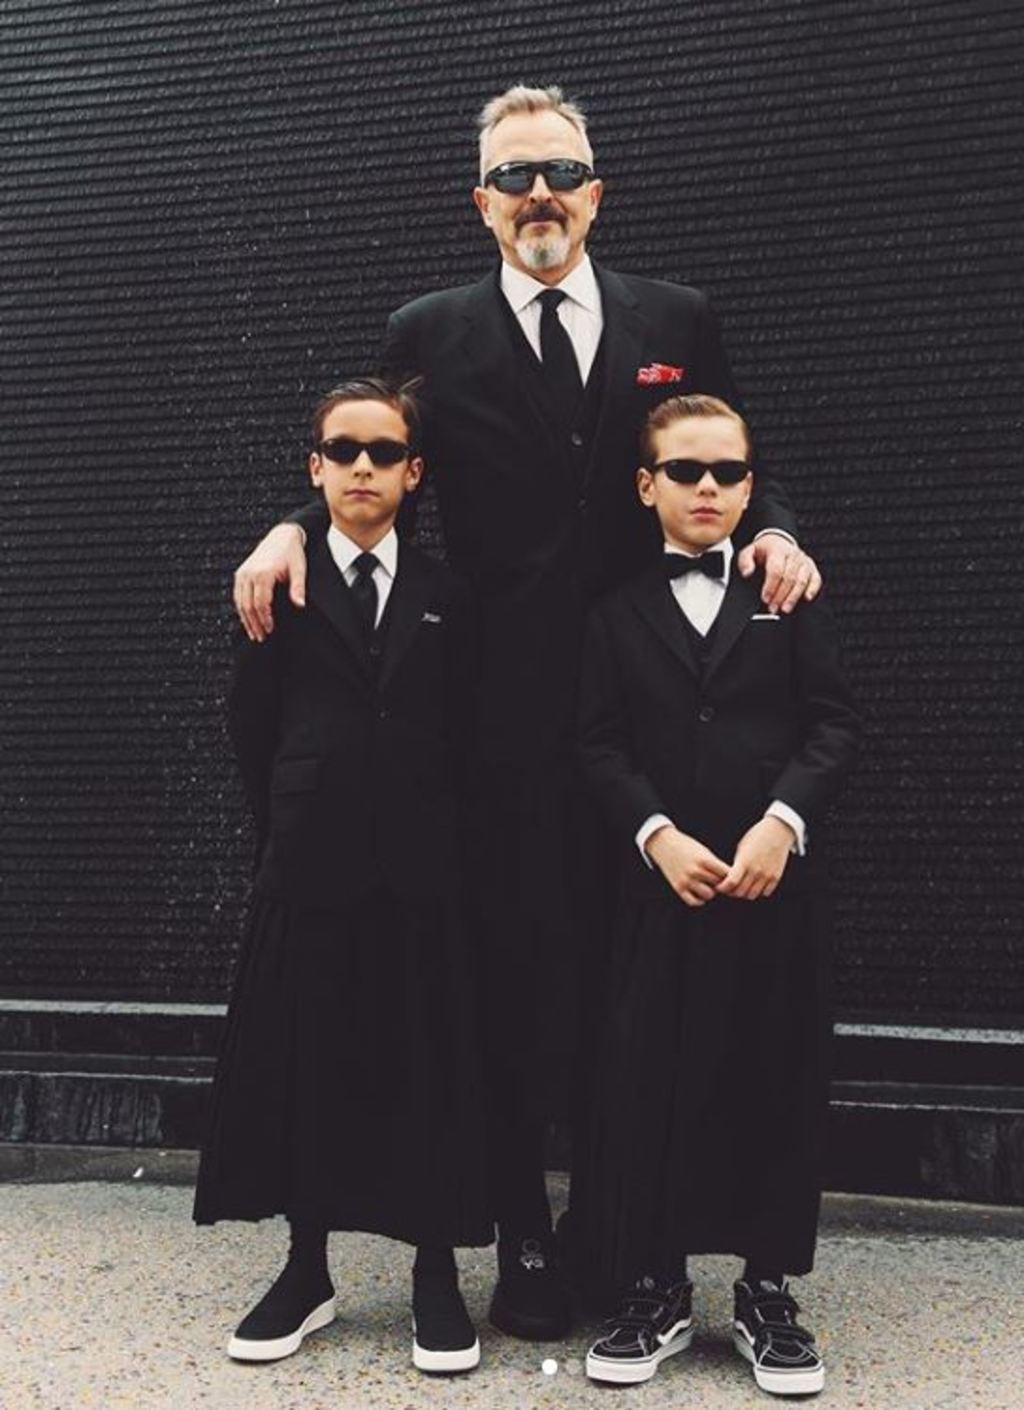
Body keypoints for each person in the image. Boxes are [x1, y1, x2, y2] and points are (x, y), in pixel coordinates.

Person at [230, 85, 823, 1340]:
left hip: (658, 703)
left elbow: (732, 451)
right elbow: (369, 452)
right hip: (494, 713)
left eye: (558, 171)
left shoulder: (677, 318)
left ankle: (623, 1233)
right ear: (482, 201)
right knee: (507, 973)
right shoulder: (429, 329)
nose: (538, 193)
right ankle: (526, 1235)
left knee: (635, 970)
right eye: (513, 175)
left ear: (595, 192)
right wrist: (288, 527)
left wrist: (773, 530)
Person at [193, 377, 491, 1375]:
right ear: (315, 466)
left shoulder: (450, 594)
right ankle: (306, 1268)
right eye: (344, 450)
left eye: (385, 452)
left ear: (415, 471)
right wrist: (295, 818)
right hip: (311, 863)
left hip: (423, 870)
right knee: (309, 1066)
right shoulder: (278, 584)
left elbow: (470, 736)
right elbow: (252, 725)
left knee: (428, 1067)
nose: (364, 467)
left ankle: (435, 1273)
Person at [573, 393, 861, 1394]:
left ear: (750, 486)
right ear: (644, 485)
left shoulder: (789, 594)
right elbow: (596, 742)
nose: (707, 488)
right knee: (648, 1079)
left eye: (728, 472)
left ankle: (767, 1291)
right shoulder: (611, 612)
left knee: (773, 1077)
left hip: (774, 892)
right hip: (662, 894)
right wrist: (654, 834)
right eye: (686, 471)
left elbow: (833, 724)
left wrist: (783, 822)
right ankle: (655, 1286)